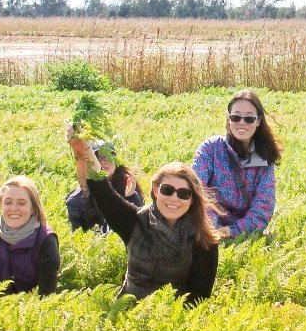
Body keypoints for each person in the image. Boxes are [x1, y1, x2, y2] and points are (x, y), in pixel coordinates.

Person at [68, 128, 220, 305]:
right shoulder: (134, 221)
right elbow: (103, 193)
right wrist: (82, 147)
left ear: (192, 199)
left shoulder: (205, 241)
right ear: (156, 189)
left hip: (173, 324)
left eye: (184, 194)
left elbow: (198, 299)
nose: (174, 199)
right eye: (167, 190)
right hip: (127, 317)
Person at [192, 89, 282, 239]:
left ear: (258, 121)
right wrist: (212, 229)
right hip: (207, 229)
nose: (241, 122)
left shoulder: (264, 159)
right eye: (236, 117)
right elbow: (195, 190)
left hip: (245, 235)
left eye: (248, 119)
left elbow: (263, 208)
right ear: (228, 119)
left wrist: (232, 231)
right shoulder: (210, 148)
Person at [65, 140, 144, 233]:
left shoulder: (128, 187)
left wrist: (131, 197)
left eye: (108, 156)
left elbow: (141, 231)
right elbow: (77, 237)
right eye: (97, 157)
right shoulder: (76, 200)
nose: (103, 161)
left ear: (116, 162)